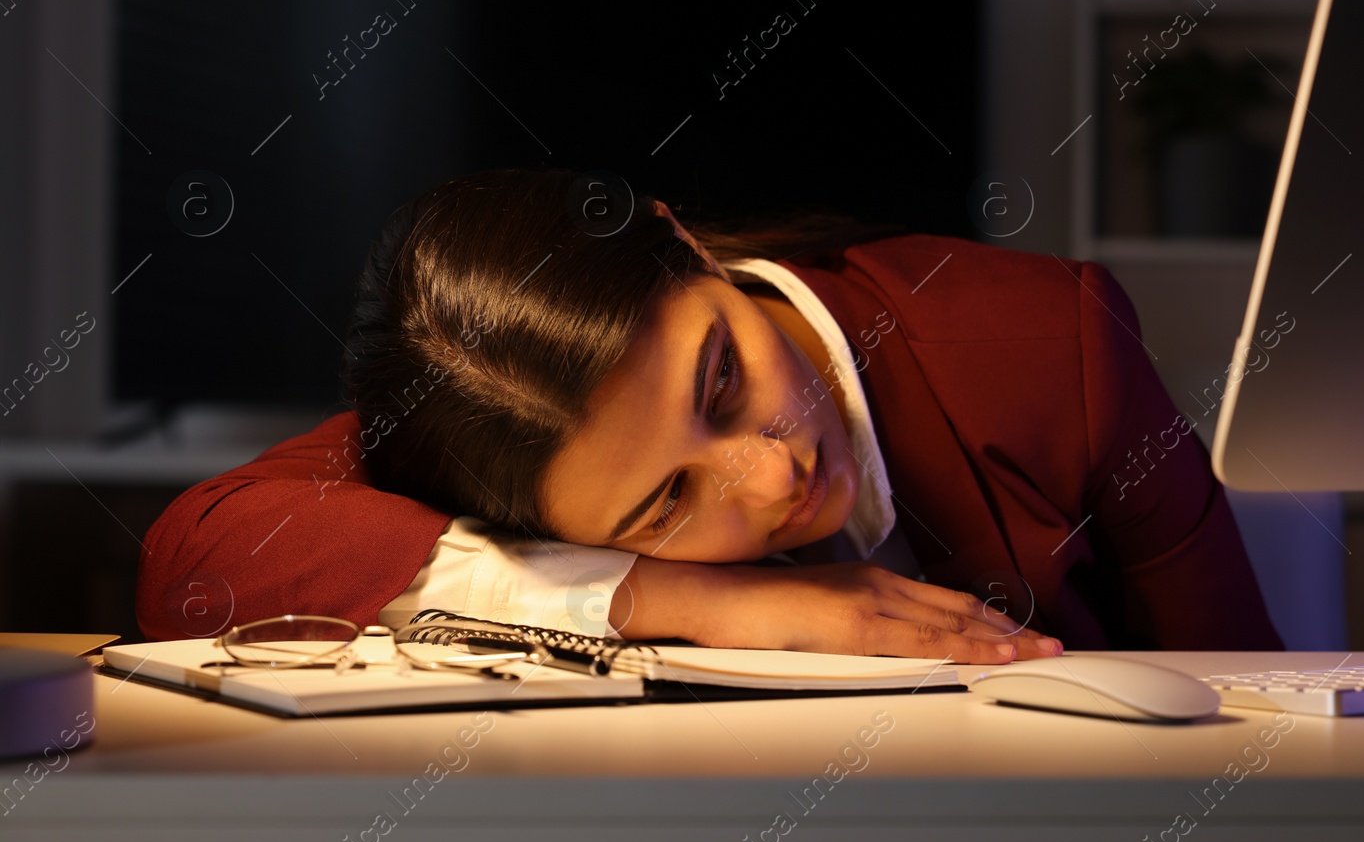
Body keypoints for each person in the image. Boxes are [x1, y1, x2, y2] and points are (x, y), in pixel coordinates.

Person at [136, 167, 1283, 658]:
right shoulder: (484, 425)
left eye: (722, 381)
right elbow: (196, 558)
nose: (769, 478)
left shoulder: (1053, 343)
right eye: (664, 500)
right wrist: (681, 594)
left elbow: (1258, 706)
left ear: (684, 239)